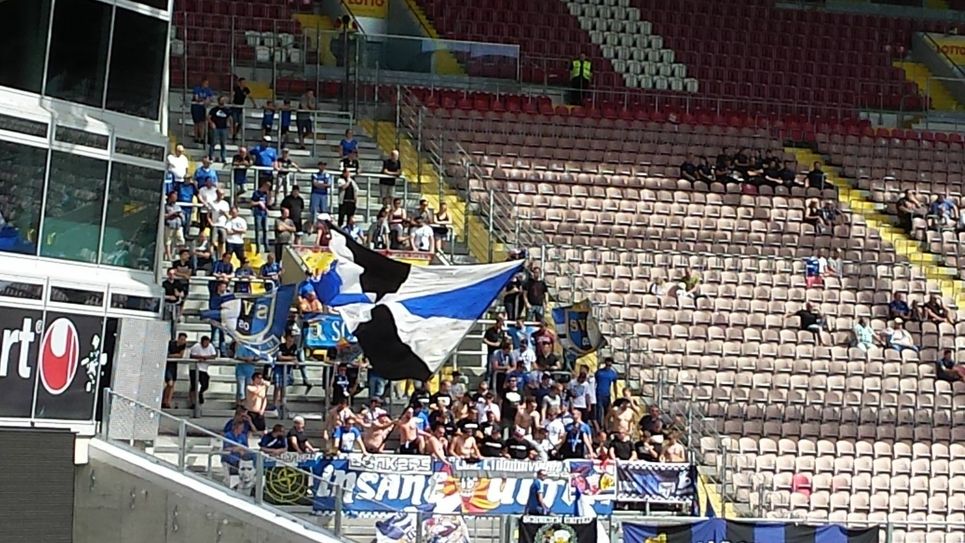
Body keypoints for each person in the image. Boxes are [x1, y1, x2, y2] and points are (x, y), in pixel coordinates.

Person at [188, 335, 218, 409]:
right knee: (193, 385)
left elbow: (214, 355)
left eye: (207, 343)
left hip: (204, 369)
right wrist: (200, 358)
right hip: (194, 368)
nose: (206, 345)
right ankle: (193, 403)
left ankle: (200, 393)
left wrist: (205, 358)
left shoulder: (210, 346)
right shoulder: (196, 346)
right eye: (205, 343)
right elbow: (192, 355)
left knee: (205, 384)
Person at [163, 333, 188, 408]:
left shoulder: (183, 346)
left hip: (174, 365)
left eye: (184, 340)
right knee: (169, 383)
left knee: (172, 384)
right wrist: (173, 355)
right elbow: (167, 353)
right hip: (168, 365)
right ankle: (164, 399)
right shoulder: (171, 343)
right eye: (181, 339)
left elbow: (180, 355)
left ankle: (167, 401)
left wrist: (171, 355)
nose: (182, 341)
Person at [594, 357, 619, 425]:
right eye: (607, 364)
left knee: (607, 411)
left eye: (610, 364)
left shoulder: (613, 374)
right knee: (599, 411)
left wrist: (616, 395)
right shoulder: (599, 372)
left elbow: (615, 385)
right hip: (598, 394)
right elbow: (594, 383)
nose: (608, 365)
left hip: (607, 395)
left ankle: (605, 425)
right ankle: (599, 425)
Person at [207, 96, 231, 162]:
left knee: (223, 144)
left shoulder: (227, 110)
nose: (223, 101)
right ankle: (211, 156)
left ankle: (223, 158)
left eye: (224, 100)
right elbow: (208, 117)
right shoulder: (214, 109)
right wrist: (211, 123)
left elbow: (229, 118)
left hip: (224, 128)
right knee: (213, 143)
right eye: (222, 100)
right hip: (216, 128)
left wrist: (229, 126)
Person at [190, 78, 215, 142]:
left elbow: (212, 98)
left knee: (202, 123)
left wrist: (208, 100)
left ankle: (201, 137)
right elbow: (196, 98)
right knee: (196, 123)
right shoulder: (197, 89)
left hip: (203, 108)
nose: (206, 85)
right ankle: (196, 137)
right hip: (196, 107)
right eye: (205, 83)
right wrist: (204, 100)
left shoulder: (208, 90)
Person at [230, 77, 254, 141]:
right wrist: (231, 102)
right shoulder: (236, 89)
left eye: (244, 82)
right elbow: (232, 95)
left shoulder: (246, 89)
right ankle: (233, 134)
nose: (244, 84)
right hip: (235, 106)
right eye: (242, 82)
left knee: (240, 122)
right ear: (239, 83)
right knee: (235, 121)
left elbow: (250, 96)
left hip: (241, 107)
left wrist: (254, 104)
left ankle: (236, 133)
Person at [163, 192, 186, 259]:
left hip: (178, 226)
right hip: (169, 226)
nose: (174, 199)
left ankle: (181, 255)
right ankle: (168, 256)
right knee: (168, 241)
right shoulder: (165, 207)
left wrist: (179, 216)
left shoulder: (178, 207)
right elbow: (163, 216)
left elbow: (182, 216)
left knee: (181, 240)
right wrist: (171, 215)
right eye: (173, 197)